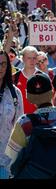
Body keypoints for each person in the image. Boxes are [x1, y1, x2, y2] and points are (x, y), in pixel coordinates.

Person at [0, 49, 24, 179]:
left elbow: (19, 127)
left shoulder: (15, 93)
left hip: (6, 162)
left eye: (4, 64)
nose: (0, 68)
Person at [13, 46, 39, 114]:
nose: (32, 61)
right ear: (23, 59)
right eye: (29, 58)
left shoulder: (43, 77)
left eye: (34, 58)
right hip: (19, 120)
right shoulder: (14, 77)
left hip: (39, 120)